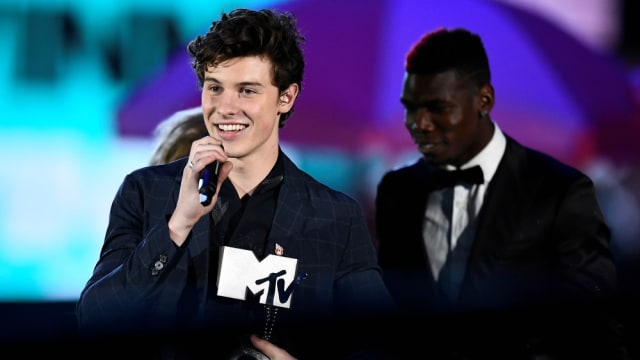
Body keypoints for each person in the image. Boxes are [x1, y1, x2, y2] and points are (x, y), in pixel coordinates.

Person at [76, 8, 395, 360]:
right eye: (215, 88)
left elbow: (379, 342)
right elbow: (95, 318)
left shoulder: (334, 216)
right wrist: (178, 225)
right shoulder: (146, 192)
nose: (226, 107)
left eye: (246, 91)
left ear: (285, 97)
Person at [374, 27, 629, 359]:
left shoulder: (561, 192)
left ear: (484, 100)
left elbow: (597, 332)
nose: (418, 123)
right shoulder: (398, 191)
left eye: (437, 107)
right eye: (411, 107)